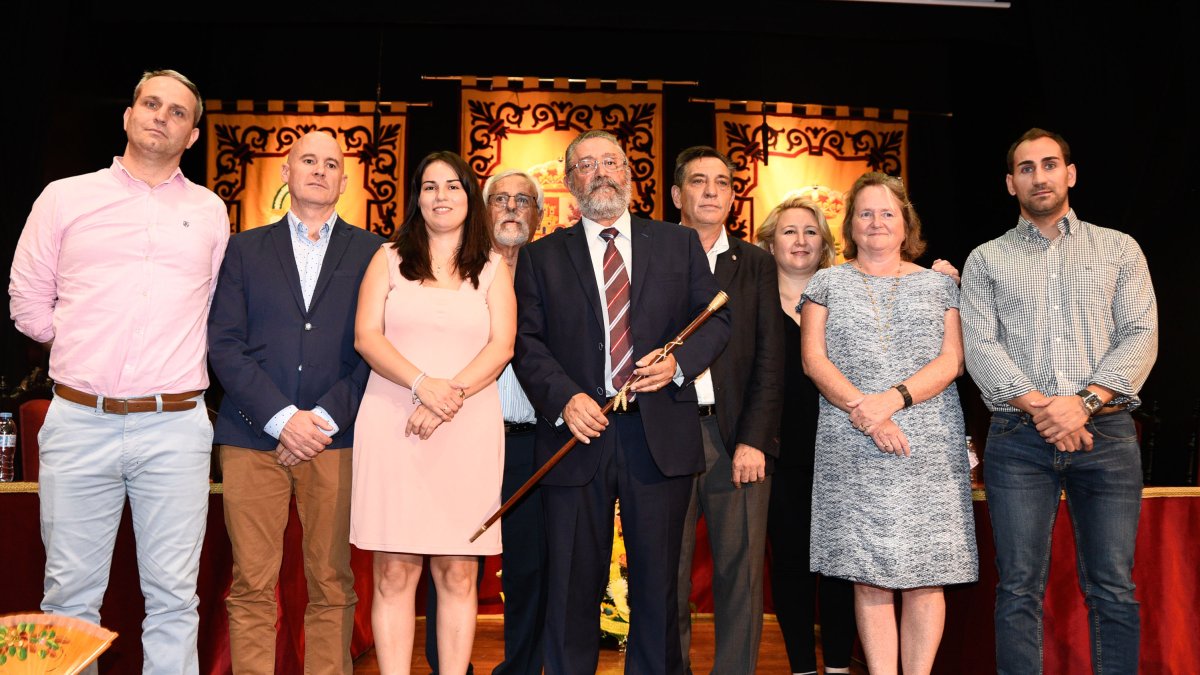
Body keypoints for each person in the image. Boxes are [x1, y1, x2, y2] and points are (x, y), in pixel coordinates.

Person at [8, 69, 229, 674]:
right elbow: (27, 302)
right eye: (150, 103)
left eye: (177, 111)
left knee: (175, 601)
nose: (161, 115)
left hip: (176, 427)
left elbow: (213, 310)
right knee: (68, 599)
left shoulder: (211, 213)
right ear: (128, 116)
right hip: (79, 420)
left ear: (192, 134)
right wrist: (86, 340)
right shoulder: (64, 197)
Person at [512, 129, 730, 675]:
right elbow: (526, 342)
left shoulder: (678, 243)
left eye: (611, 161)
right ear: (568, 182)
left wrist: (678, 364)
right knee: (569, 584)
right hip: (577, 431)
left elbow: (716, 318)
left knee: (658, 586)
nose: (600, 172)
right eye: (586, 165)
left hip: (657, 434)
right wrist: (564, 399)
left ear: (630, 173)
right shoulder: (541, 257)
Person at [961, 128, 1158, 675]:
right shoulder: (985, 259)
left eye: (1050, 165)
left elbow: (1141, 335)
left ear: (1070, 173)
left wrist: (1084, 404)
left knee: (1113, 587)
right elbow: (980, 345)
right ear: (1010, 183)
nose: (1039, 176)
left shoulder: (1119, 248)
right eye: (1026, 168)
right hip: (1018, 439)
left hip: (1109, 436)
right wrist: (1048, 409)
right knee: (1019, 587)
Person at [207, 131, 384, 673]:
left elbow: (377, 345)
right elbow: (224, 344)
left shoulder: (375, 251)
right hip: (251, 435)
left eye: (331, 163)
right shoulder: (242, 249)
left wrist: (321, 419)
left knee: (332, 581)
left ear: (344, 181)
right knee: (252, 583)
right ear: (285, 171)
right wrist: (284, 420)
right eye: (307, 159)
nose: (318, 170)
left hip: (336, 438)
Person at [799, 172, 977, 675]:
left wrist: (892, 401)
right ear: (851, 224)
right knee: (867, 574)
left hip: (927, 443)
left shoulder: (941, 283)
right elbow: (814, 360)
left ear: (906, 224)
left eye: (887, 213)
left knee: (927, 573)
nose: (876, 222)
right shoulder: (825, 283)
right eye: (865, 213)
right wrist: (865, 411)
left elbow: (952, 362)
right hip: (850, 439)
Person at [350, 150, 516, 675]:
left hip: (467, 427)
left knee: (458, 573)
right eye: (429, 186)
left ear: (470, 197)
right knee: (393, 574)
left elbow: (503, 345)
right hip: (393, 423)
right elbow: (366, 337)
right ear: (415, 196)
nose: (440, 196)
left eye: (452, 186)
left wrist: (447, 398)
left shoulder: (492, 266)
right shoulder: (388, 257)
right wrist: (423, 386)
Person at [425, 169, 548, 675]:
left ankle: (520, 668)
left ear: (539, 216)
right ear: (482, 209)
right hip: (460, 437)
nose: (512, 208)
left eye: (523, 200)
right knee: (450, 561)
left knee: (532, 570)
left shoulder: (555, 274)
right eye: (500, 199)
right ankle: (448, 667)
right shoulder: (450, 271)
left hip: (532, 443)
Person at [669, 146, 784, 673]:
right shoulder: (652, 256)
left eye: (722, 182)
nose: (712, 190)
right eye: (699, 181)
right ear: (677, 195)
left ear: (734, 197)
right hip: (663, 435)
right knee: (663, 572)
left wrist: (755, 439)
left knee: (739, 574)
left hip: (733, 436)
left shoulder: (756, 263)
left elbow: (769, 357)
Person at [756, 196, 857, 675]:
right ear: (769, 242)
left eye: (811, 232)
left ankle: (838, 666)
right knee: (791, 564)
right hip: (778, 456)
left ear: (826, 244)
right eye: (789, 231)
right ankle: (801, 668)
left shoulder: (849, 299)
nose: (800, 240)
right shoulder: (750, 305)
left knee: (840, 565)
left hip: (843, 451)